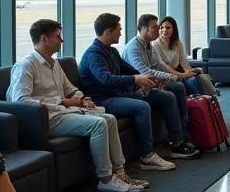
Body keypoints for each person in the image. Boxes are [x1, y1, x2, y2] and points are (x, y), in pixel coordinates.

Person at [8, 19, 146, 192]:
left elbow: (70, 89)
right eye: (58, 37)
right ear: (44, 38)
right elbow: (20, 101)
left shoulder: (54, 63)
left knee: (109, 119)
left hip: (63, 113)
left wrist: (81, 98)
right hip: (46, 119)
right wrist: (62, 102)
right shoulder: (26, 66)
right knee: (98, 124)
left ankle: (120, 173)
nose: (61, 41)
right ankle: (105, 179)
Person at [79, 13, 198, 171]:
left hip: (119, 93)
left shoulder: (112, 52)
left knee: (167, 96)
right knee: (142, 107)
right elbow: (106, 79)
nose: (121, 33)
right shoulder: (94, 54)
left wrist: (147, 82)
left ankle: (177, 142)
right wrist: (136, 80)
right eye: (118, 30)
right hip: (103, 99)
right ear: (108, 32)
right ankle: (147, 155)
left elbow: (131, 71)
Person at [123, 15, 195, 150]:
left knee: (179, 87)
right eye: (155, 27)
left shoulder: (148, 45)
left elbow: (157, 66)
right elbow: (145, 72)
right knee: (169, 95)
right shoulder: (134, 48)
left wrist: (168, 77)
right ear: (144, 29)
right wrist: (172, 77)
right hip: (137, 88)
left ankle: (184, 131)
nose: (158, 30)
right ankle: (178, 140)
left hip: (149, 84)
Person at [155, 16, 219, 97]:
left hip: (178, 74)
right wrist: (183, 75)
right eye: (162, 28)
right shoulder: (155, 45)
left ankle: (202, 102)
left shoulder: (177, 43)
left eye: (168, 28)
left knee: (193, 80)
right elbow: (165, 67)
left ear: (173, 29)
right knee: (190, 81)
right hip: (165, 76)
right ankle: (200, 101)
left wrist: (188, 72)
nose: (164, 30)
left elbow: (183, 61)